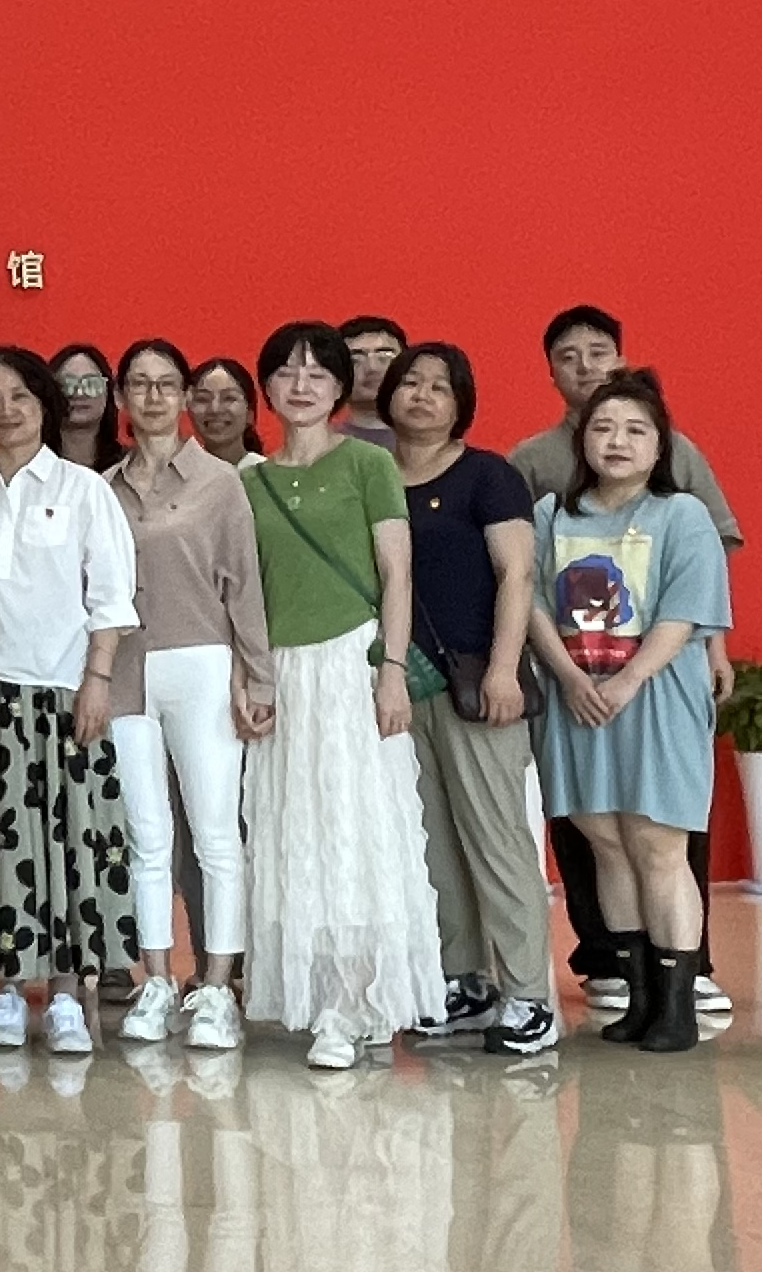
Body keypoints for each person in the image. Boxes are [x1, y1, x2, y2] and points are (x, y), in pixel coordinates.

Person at [509, 304, 742, 1017]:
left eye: (635, 430)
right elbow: (528, 596)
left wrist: (635, 676)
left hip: (654, 696)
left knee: (658, 842)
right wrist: (570, 676)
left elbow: (688, 604)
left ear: (660, 442)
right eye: (603, 429)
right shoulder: (550, 509)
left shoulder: (681, 513)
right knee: (605, 840)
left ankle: (677, 997)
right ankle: (635, 990)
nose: (617, 441)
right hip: (576, 696)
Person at [235, 320, 444, 1069]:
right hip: (282, 672)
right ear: (266, 386)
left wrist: (390, 669)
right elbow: (244, 591)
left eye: (317, 373)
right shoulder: (247, 481)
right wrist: (248, 675)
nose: (302, 385)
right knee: (296, 829)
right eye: (286, 372)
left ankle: (355, 1002)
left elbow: (397, 574)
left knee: (355, 828)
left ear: (339, 388)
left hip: (351, 665)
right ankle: (320, 994)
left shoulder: (367, 462)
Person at [0, 345, 140, 1057]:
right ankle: (6, 991)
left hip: (65, 695)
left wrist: (97, 680)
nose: (7, 411)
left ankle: (64, 996)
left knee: (66, 847)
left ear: (45, 404)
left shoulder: (85, 490)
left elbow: (111, 597)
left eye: (20, 396)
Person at [381, 342, 559, 1056]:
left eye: (440, 386)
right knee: (433, 843)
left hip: (478, 683)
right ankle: (464, 981)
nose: (422, 395)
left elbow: (518, 575)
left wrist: (506, 670)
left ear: (461, 404)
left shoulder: (487, 475)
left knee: (497, 838)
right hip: (403, 687)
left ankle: (528, 994)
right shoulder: (372, 475)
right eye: (411, 382)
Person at [102, 339, 270, 1054]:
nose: (153, 397)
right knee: (147, 838)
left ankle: (218, 986)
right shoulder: (102, 487)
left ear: (184, 396)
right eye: (139, 384)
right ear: (120, 397)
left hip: (201, 663)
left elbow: (244, 585)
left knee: (215, 835)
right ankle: (157, 981)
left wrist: (256, 674)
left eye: (166, 384)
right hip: (124, 672)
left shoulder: (219, 482)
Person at [47, 343, 127, 473]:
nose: (79, 393)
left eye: (91, 384)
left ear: (109, 393)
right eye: (67, 384)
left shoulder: (128, 466)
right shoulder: (33, 464)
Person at [336, 317, 407, 451]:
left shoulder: (435, 442)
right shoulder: (322, 448)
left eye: (385, 356)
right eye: (356, 359)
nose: (372, 368)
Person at [187, 358, 267, 468]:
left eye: (229, 398)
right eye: (203, 399)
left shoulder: (268, 474)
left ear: (250, 414)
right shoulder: (177, 474)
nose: (215, 409)